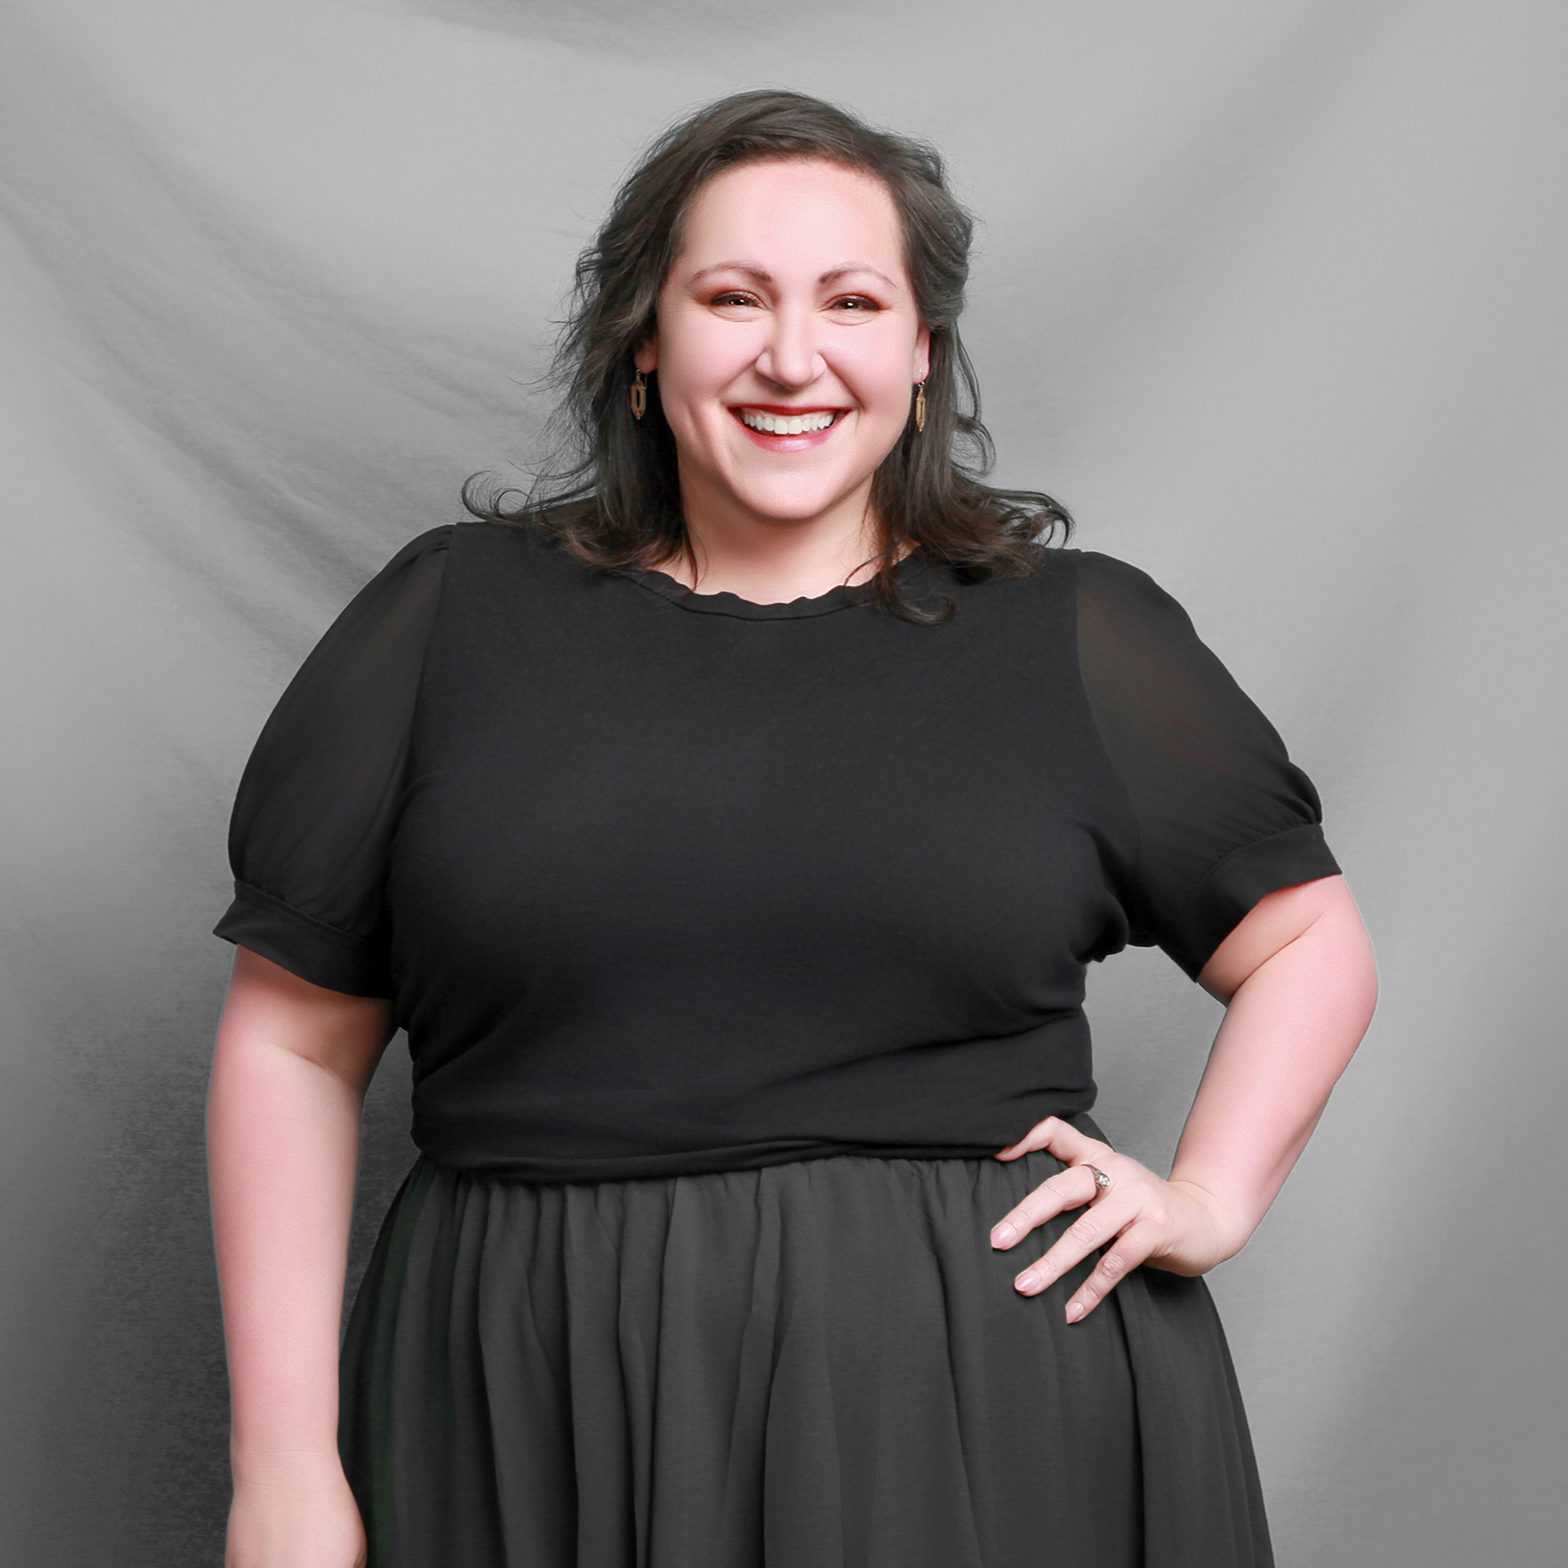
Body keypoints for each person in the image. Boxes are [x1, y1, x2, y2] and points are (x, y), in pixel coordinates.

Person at [206, 88, 1377, 1568]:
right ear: (647, 341)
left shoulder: (1080, 639)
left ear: (920, 354)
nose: (791, 357)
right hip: (522, 1396)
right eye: (732, 298)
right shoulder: (450, 621)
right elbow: (292, 1045)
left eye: (850, 302)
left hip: (980, 1412)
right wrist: (283, 1470)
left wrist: (1210, 1196)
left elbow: (1310, 943)